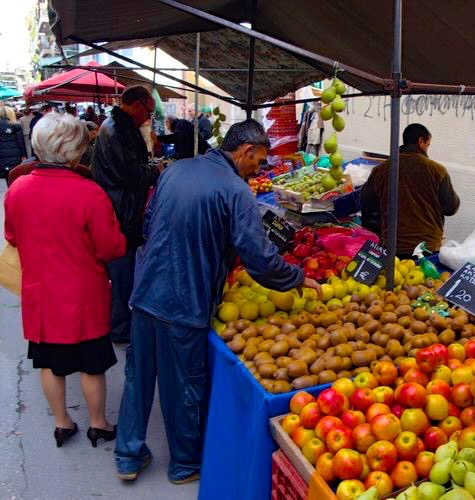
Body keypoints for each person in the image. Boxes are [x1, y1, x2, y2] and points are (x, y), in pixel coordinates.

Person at [114, 119, 321, 484]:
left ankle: (127, 456)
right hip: (185, 300)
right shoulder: (235, 190)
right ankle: (183, 465)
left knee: (138, 378)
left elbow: (148, 224)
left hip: (146, 292)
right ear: (245, 152)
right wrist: (297, 278)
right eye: (257, 162)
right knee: (183, 386)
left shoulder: (176, 170)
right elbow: (258, 258)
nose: (257, 169)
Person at [4, 113, 126, 448]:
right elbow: (110, 247)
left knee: (50, 363)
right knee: (92, 364)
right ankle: (98, 423)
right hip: (83, 293)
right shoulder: (89, 193)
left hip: (41, 292)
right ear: (75, 151)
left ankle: (62, 422)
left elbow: (12, 235)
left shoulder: (17, 189)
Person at [92, 85, 160, 343]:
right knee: (120, 271)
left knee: (124, 270)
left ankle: (121, 322)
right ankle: (120, 327)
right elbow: (129, 174)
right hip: (120, 210)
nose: (148, 118)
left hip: (122, 208)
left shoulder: (119, 127)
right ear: (137, 104)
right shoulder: (116, 130)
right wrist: (155, 172)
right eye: (148, 112)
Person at [361, 123, 460, 258]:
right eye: (428, 144)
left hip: (393, 247)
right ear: (421, 141)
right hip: (428, 248)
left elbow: (367, 203)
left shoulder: (382, 170)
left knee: (394, 279)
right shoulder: (437, 171)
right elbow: (451, 208)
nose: (427, 149)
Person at [0, 106, 26, 185]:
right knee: (14, 175)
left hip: (2, 153)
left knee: (5, 174)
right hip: (15, 153)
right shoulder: (16, 125)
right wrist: (24, 154)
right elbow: (20, 141)